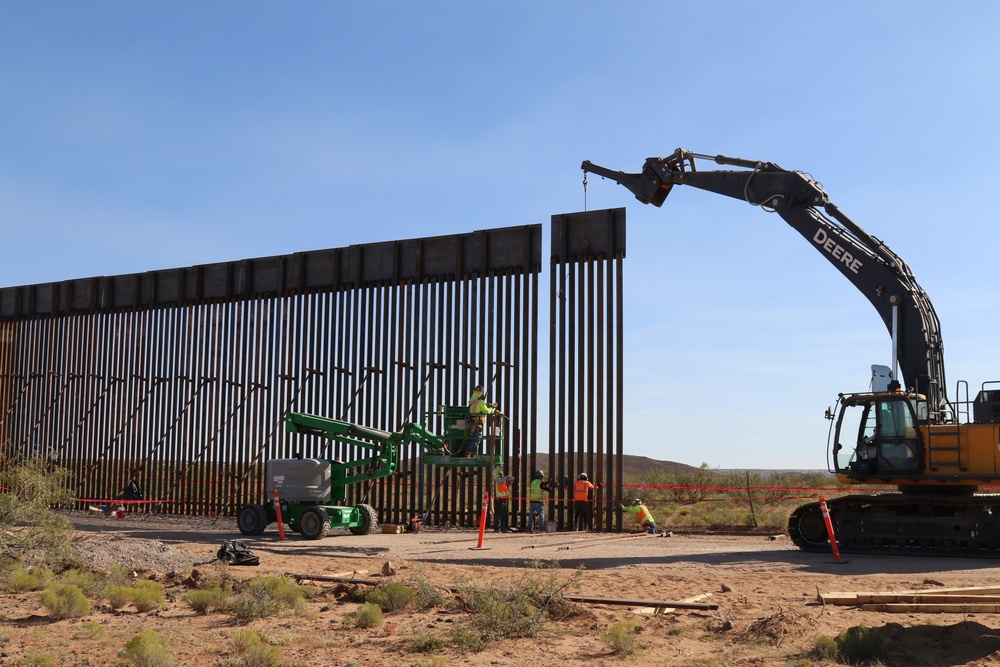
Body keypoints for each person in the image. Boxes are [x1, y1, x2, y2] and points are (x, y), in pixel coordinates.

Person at [464, 385, 495, 457]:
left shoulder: (472, 402)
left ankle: (468, 453)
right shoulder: (480, 402)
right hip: (476, 423)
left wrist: (485, 405)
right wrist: (491, 408)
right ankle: (473, 453)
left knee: (470, 438)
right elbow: (486, 411)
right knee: (477, 438)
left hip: (470, 423)